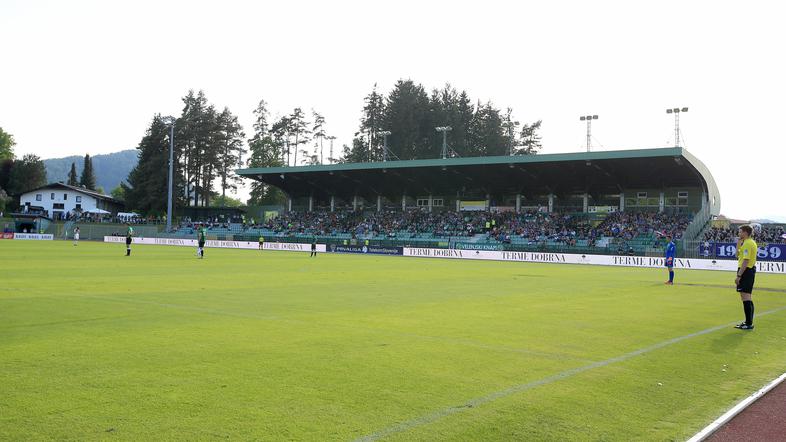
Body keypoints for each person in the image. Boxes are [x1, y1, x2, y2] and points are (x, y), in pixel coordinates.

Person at [734, 225, 758, 330]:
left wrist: (739, 275)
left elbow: (746, 261)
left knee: (746, 297)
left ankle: (749, 323)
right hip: (747, 271)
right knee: (746, 297)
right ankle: (748, 322)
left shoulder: (748, 243)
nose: (738, 233)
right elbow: (737, 256)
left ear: (745, 232)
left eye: (740, 232)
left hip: (746, 271)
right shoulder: (747, 242)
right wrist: (738, 244)